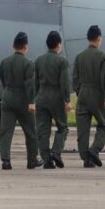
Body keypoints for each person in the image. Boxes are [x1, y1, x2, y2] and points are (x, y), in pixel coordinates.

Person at [0, 31, 40, 170]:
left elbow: (2, 79)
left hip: (7, 96)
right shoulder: (29, 64)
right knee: (30, 131)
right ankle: (32, 160)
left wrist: (7, 91)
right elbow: (29, 85)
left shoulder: (4, 62)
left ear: (13, 46)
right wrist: (31, 102)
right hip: (23, 99)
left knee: (6, 131)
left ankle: (5, 161)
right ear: (25, 47)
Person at [72, 24, 105, 168]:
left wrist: (79, 91)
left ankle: (86, 158)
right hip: (97, 94)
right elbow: (104, 79)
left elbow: (74, 79)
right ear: (99, 38)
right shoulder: (103, 56)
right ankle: (94, 150)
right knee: (104, 126)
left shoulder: (79, 56)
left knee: (83, 128)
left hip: (82, 94)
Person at [34, 30, 71, 169]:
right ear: (59, 44)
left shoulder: (38, 60)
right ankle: (56, 152)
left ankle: (46, 159)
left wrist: (34, 99)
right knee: (62, 127)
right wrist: (67, 100)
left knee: (43, 130)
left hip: (41, 96)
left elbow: (35, 83)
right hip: (56, 97)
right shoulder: (62, 61)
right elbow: (65, 83)